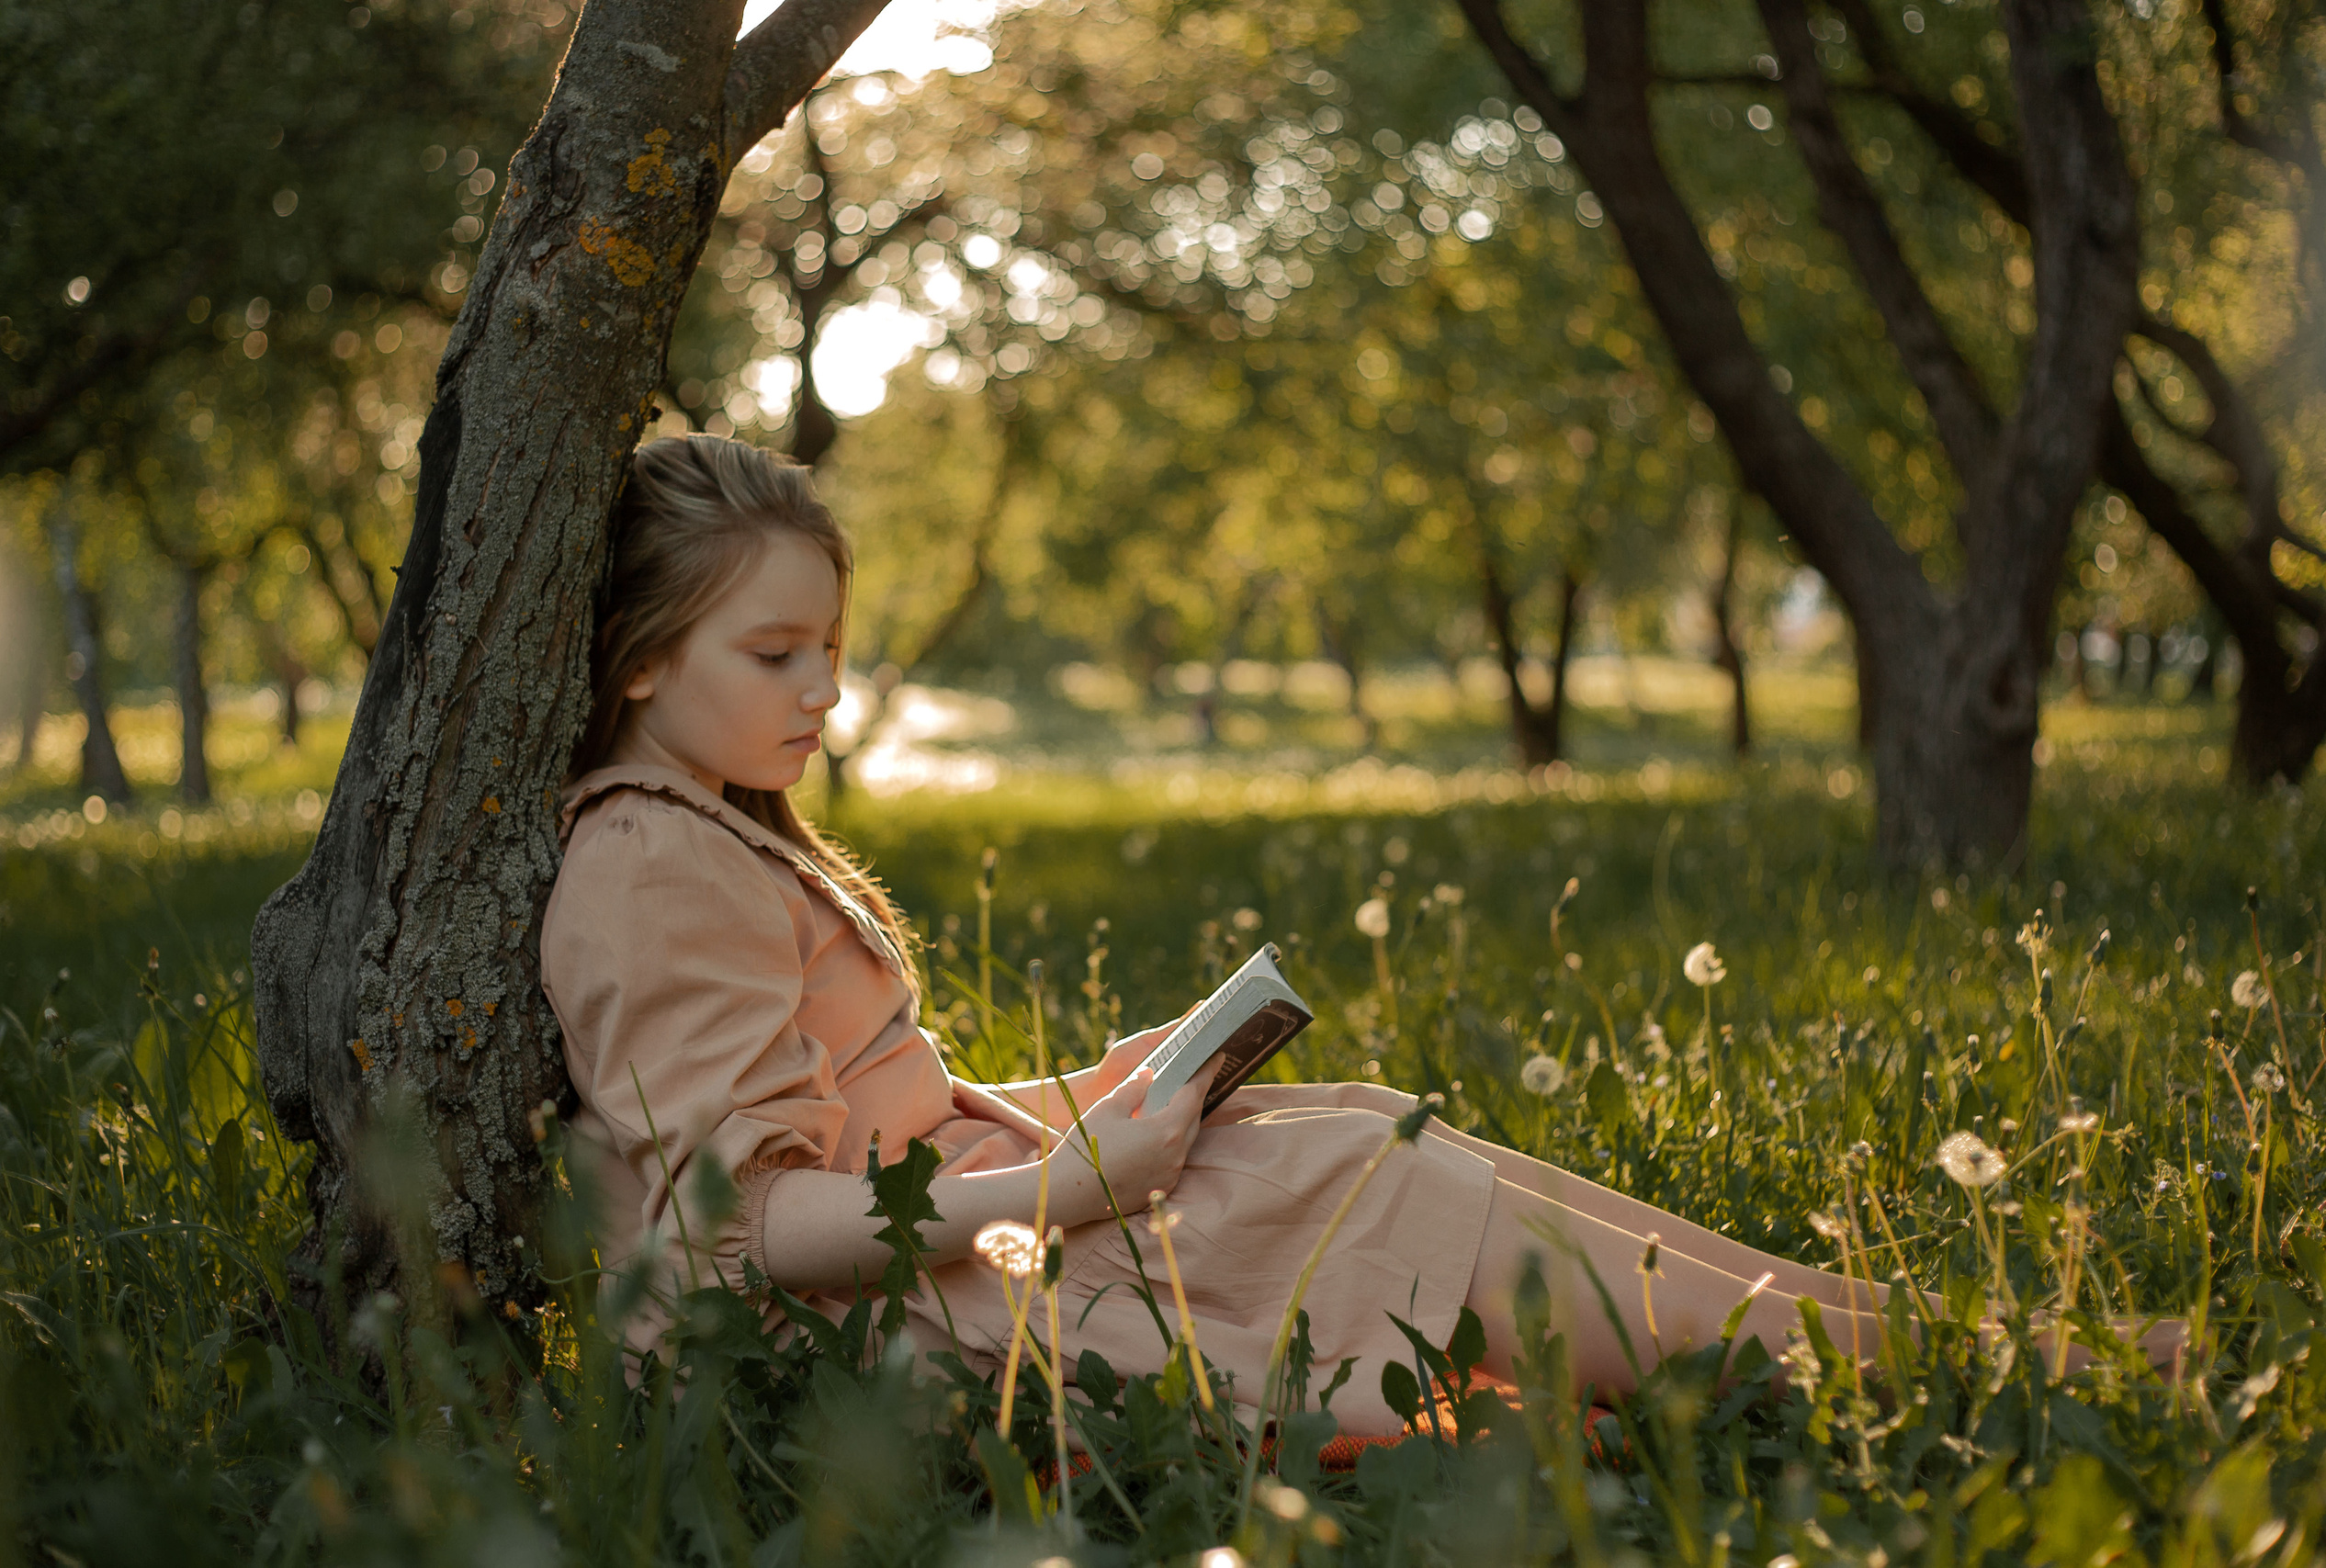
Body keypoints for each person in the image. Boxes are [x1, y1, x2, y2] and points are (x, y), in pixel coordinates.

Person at [541, 435, 2168, 1433]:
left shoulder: (705, 834)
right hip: (881, 1339)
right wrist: (1061, 1183)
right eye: (775, 654)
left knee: (1346, 1131)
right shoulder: (648, 867)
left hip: (956, 1243)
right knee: (1354, 1178)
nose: (823, 690)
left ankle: (1907, 1338)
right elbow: (748, 1234)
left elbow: (851, 1117)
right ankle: (1965, 1369)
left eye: (830, 644)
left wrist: (1073, 1101)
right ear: (636, 657)